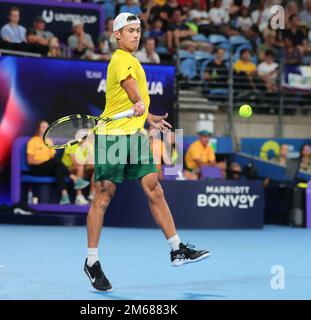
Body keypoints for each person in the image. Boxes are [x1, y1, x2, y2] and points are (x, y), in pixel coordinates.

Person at [84, 13, 210, 292]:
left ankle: (177, 248)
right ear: (117, 34)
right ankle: (92, 261)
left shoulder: (133, 60)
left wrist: (148, 115)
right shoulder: (120, 59)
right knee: (102, 197)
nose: (136, 35)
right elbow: (129, 88)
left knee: (154, 189)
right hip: (113, 139)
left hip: (135, 136)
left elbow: (129, 100)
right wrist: (139, 101)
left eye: (138, 30)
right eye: (130, 31)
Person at [26, 121, 90, 205]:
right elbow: (30, 161)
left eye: (47, 127)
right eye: (43, 127)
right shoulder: (32, 141)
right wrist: (47, 161)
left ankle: (64, 196)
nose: (46, 129)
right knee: (55, 161)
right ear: (38, 129)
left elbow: (53, 158)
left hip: (49, 167)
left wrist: (49, 162)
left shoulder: (49, 141)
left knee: (58, 169)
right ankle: (75, 179)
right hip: (37, 169)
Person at [61, 130, 95, 204]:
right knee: (80, 167)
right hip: (67, 169)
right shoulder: (72, 143)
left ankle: (92, 194)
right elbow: (75, 163)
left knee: (96, 168)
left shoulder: (87, 145)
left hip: (82, 166)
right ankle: (79, 196)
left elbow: (91, 162)